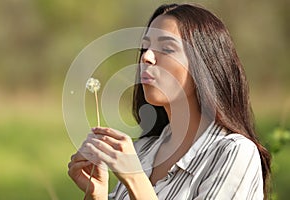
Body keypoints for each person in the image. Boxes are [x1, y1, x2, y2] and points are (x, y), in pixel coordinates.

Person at [68, 3, 271, 200]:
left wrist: (135, 178)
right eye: (144, 48)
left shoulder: (234, 153)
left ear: (205, 64)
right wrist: (97, 195)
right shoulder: (142, 150)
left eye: (166, 48)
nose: (146, 57)